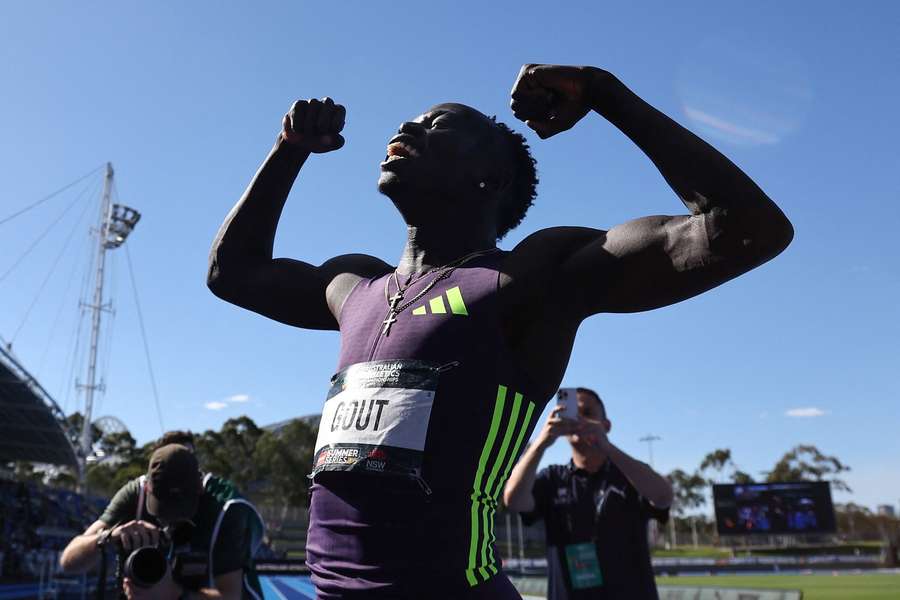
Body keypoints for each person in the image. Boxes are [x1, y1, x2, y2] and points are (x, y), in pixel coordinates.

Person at [207, 63, 793, 598]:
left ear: (489, 177)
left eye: (437, 124)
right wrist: (289, 150)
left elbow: (746, 229)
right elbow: (230, 273)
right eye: (410, 120)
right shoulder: (354, 286)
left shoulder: (528, 279)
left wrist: (605, 94)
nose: (407, 128)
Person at [503, 388, 672, 599]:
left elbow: (664, 497)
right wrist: (541, 443)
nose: (579, 420)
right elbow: (513, 499)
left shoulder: (629, 475)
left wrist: (607, 447)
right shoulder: (552, 478)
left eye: (587, 413)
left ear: (606, 425)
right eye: (573, 413)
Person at [59, 444, 265, 600]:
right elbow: (68, 562)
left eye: (180, 511)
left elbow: (230, 595)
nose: (169, 521)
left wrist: (172, 592)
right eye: (162, 509)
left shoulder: (225, 511)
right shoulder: (133, 496)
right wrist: (107, 537)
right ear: (147, 487)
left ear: (200, 490)